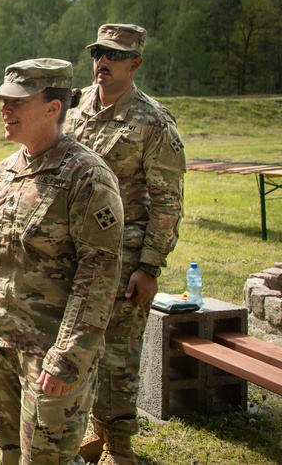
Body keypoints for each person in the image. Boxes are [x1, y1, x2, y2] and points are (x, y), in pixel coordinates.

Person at [0, 58, 124, 465]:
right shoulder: (7, 171)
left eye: (17, 102)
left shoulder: (86, 176)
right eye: (3, 101)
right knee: (12, 454)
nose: (4, 111)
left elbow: (97, 278)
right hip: (5, 346)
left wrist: (68, 356)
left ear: (53, 108)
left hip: (52, 353)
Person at [64, 25, 186, 465]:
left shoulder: (152, 121)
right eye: (98, 52)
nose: (103, 62)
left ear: (135, 62)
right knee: (74, 350)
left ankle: (119, 445)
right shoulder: (74, 111)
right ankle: (84, 433)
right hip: (73, 257)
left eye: (114, 55)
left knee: (117, 356)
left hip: (123, 259)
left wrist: (150, 265)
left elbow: (168, 202)